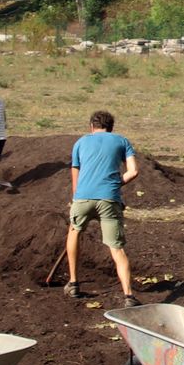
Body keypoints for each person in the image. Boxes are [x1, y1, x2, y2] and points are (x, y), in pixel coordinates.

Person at [66, 110, 140, 304]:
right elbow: (133, 172)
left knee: (74, 232)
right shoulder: (122, 141)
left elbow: (75, 170)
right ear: (111, 127)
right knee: (117, 248)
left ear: (92, 126)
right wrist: (115, 184)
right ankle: (128, 295)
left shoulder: (80, 142)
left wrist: (76, 197)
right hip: (109, 198)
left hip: (82, 198)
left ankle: (73, 283)